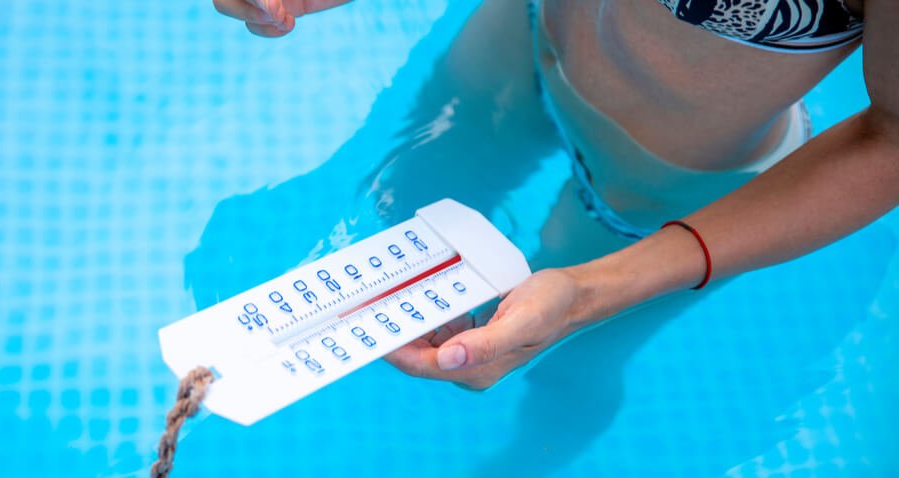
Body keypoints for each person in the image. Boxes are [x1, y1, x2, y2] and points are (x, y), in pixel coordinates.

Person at [209, 0, 898, 391]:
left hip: (658, 179)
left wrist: (594, 291)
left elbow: (892, 140)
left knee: (556, 364)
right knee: (402, 202)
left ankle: (518, 476)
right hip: (521, 35)